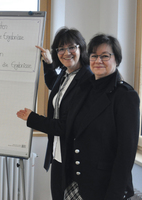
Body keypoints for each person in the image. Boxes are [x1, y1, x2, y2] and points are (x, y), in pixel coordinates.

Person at [17, 34, 139, 200]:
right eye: (94, 56)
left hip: (103, 186)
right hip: (75, 178)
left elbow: (125, 155)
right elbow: (71, 126)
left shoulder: (125, 95)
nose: (98, 60)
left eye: (105, 56)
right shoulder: (85, 90)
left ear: (116, 59)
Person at [34, 27, 92, 200]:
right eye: (61, 49)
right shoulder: (66, 74)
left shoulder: (87, 79)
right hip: (57, 153)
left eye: (71, 47)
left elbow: (67, 125)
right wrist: (48, 63)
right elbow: (54, 85)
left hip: (75, 158)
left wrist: (31, 119)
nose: (66, 53)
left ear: (81, 48)